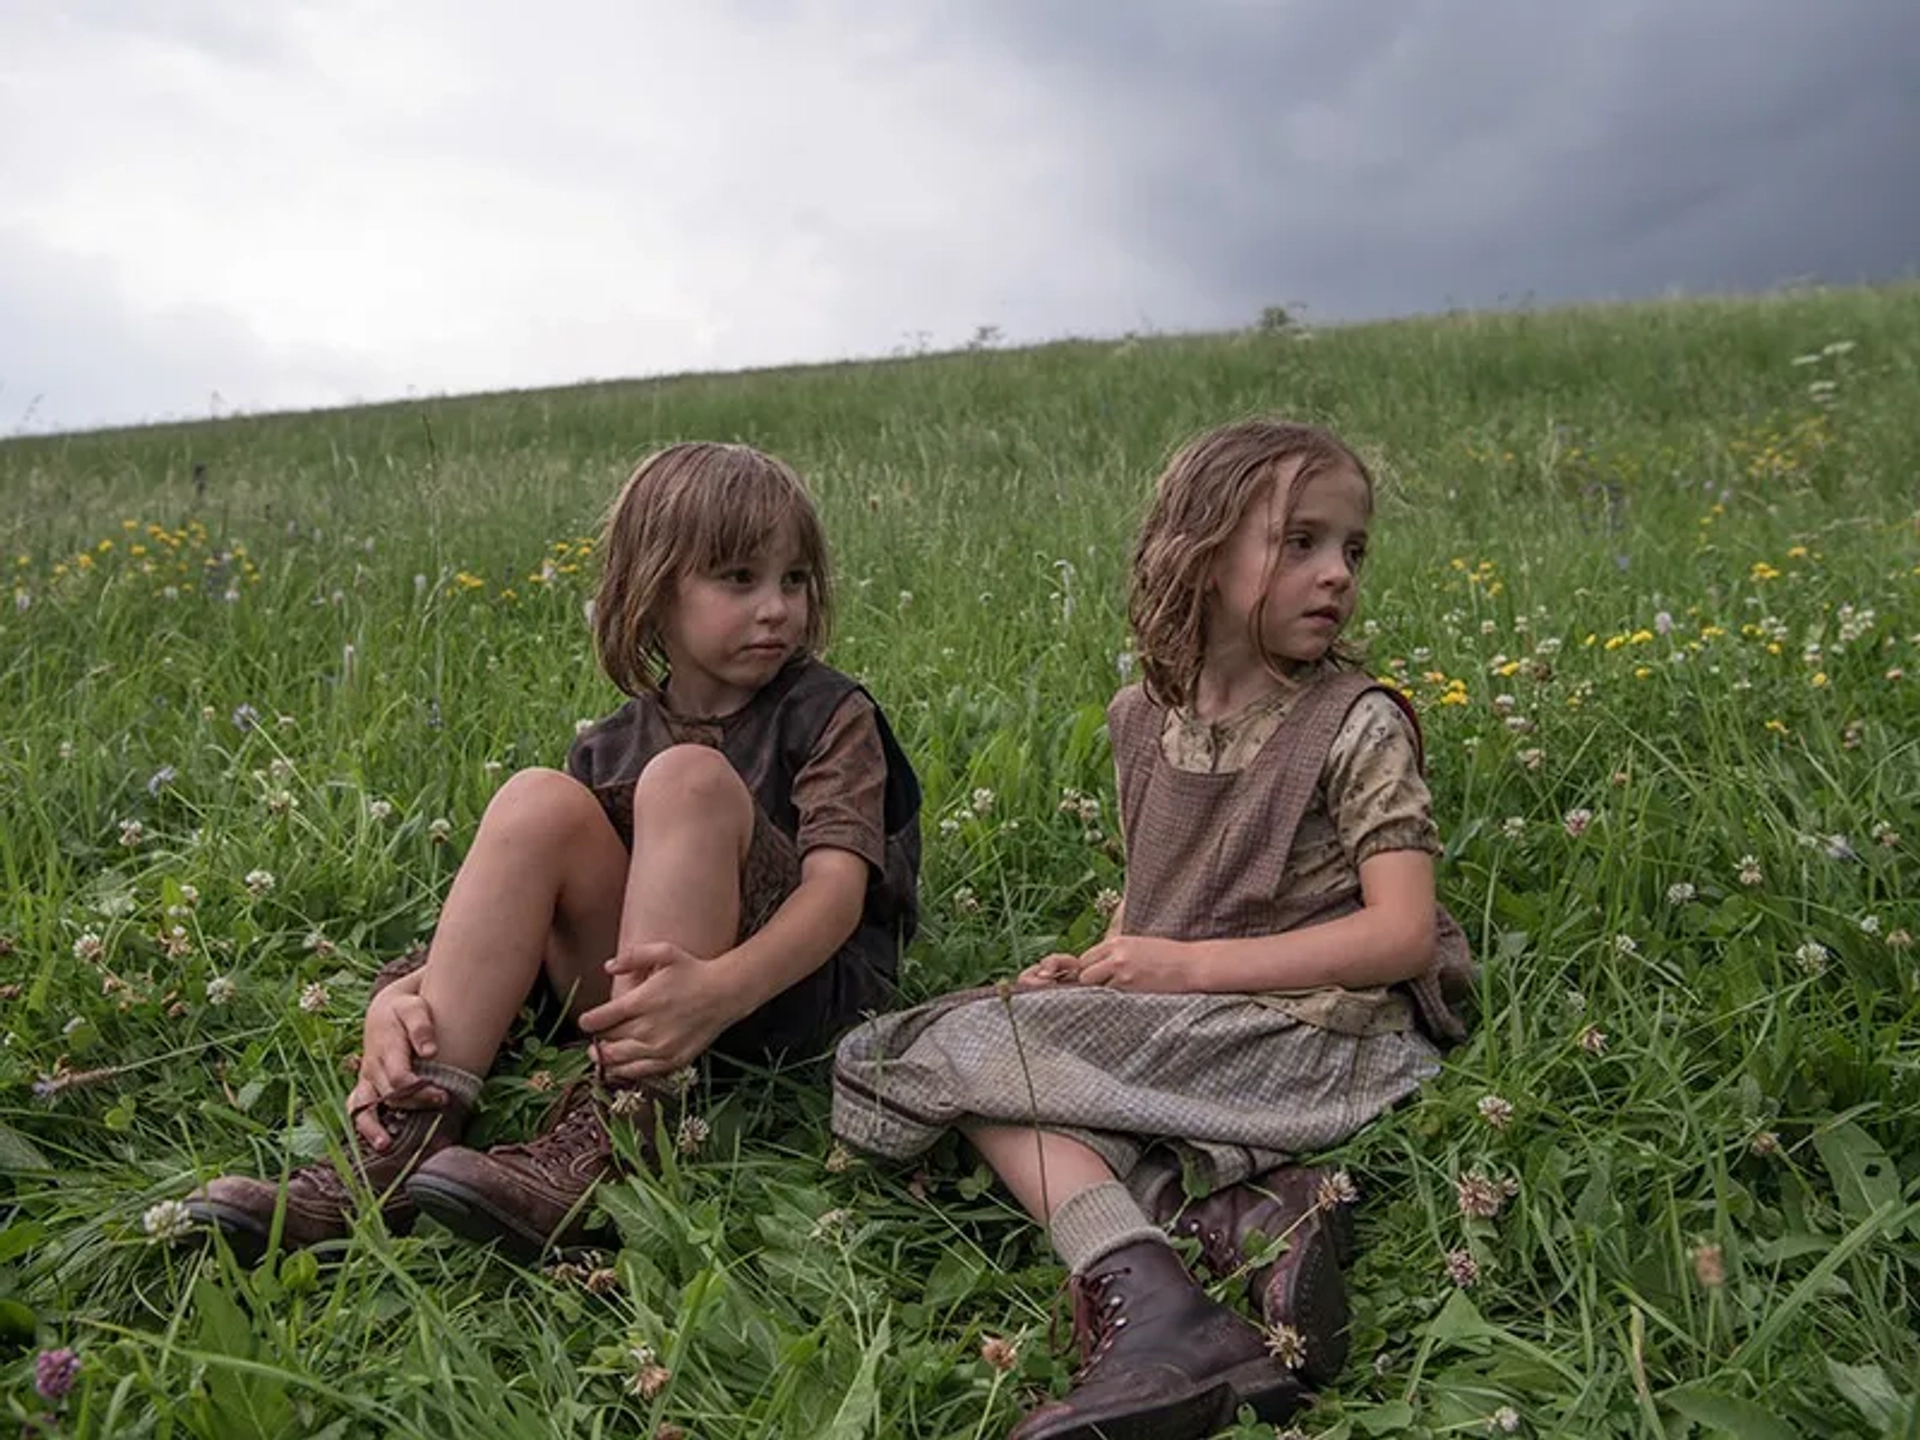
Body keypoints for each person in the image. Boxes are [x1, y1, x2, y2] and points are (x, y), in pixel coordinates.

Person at [832, 419, 1472, 1440]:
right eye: (1298, 542)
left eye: (1352, 549)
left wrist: (1183, 966)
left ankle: (1158, 1307)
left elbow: (1401, 937)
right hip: (1196, 1020)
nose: (1336, 573)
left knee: (961, 1064)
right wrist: (1096, 967)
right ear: (1202, 552)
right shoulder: (1144, 718)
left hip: (1322, 1038)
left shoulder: (1356, 725)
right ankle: (1235, 1211)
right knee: (949, 1048)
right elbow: (1158, 891)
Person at [187, 442, 920, 1264]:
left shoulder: (828, 712)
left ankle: (628, 1133)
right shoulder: (608, 748)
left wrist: (717, 990)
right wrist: (399, 996)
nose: (777, 608)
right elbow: (524, 921)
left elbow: (838, 892)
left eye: (794, 580)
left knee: (688, 780)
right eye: (740, 579)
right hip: (639, 1005)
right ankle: (406, 1133)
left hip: (787, 998)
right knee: (535, 799)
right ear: (653, 590)